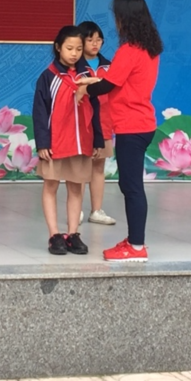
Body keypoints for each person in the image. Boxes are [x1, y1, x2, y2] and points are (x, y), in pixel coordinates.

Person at [76, 0, 162, 263]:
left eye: (116, 16)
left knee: (132, 187)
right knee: (130, 184)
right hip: (142, 122)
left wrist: (84, 88)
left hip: (131, 126)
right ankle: (134, 239)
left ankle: (136, 246)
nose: (115, 22)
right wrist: (92, 82)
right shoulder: (149, 48)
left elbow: (107, 85)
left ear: (125, 18)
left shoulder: (129, 50)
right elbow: (118, 80)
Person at [33, 25, 104, 256]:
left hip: (81, 142)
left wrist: (98, 140)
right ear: (58, 47)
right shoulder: (48, 77)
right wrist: (42, 143)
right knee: (51, 186)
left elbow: (95, 109)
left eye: (79, 49)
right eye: (69, 48)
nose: (74, 53)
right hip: (55, 144)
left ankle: (73, 234)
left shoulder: (88, 77)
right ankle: (54, 235)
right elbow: (40, 112)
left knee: (76, 187)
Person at [77, 20, 115, 226]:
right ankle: (76, 211)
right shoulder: (75, 67)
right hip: (82, 124)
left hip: (105, 123)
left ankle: (96, 210)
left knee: (98, 167)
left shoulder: (110, 66)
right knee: (81, 169)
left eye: (99, 40)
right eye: (90, 39)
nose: (95, 44)